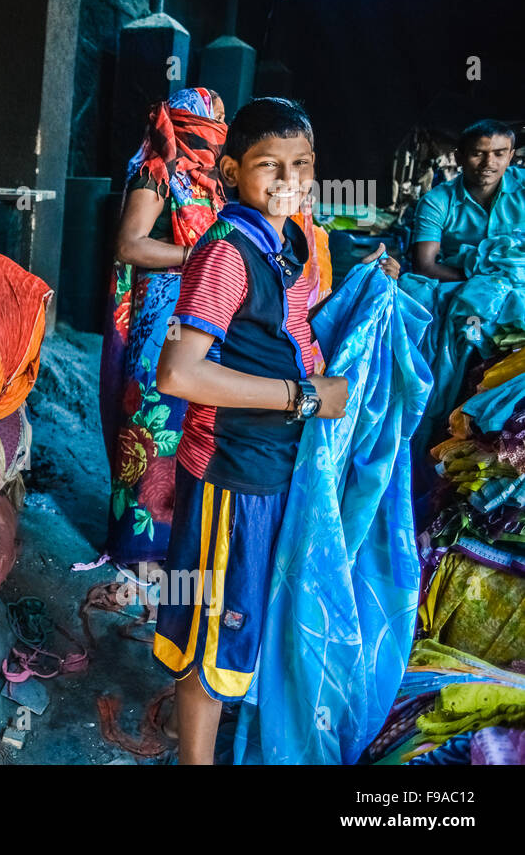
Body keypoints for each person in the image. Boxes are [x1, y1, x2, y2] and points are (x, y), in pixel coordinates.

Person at [151, 97, 398, 765]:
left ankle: (198, 731)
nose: (288, 181)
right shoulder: (226, 255)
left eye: (303, 166)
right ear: (232, 171)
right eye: (269, 166)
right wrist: (304, 397)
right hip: (230, 473)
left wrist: (371, 291)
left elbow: (291, 332)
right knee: (210, 629)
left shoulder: (288, 242)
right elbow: (177, 373)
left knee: (241, 617)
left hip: (271, 470)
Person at [100, 87, 227, 572]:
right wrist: (198, 258)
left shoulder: (207, 181)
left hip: (199, 312)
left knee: (186, 428)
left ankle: (175, 542)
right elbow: (130, 246)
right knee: (152, 425)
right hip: (163, 318)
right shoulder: (157, 173)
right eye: (212, 121)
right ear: (188, 123)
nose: (220, 130)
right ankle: (138, 550)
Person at [411, 120, 525, 281]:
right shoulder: (436, 202)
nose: (488, 163)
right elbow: (425, 268)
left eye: (499, 154)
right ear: (459, 158)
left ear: (510, 157)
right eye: (477, 154)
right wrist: (486, 282)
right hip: (461, 285)